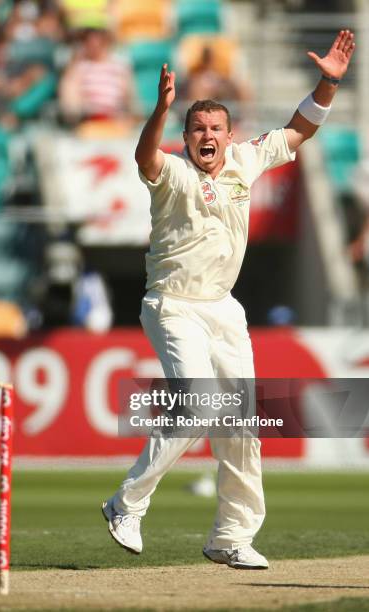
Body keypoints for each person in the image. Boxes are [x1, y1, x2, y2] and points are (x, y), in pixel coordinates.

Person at [102, 30, 355, 568]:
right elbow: (145, 155)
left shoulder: (245, 161)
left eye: (216, 127)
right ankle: (127, 502)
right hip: (172, 303)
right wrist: (161, 110)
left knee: (241, 422)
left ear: (228, 133)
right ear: (188, 136)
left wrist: (328, 82)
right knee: (197, 404)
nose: (207, 135)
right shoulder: (172, 172)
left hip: (223, 308)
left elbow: (300, 129)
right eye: (198, 128)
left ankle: (231, 536)